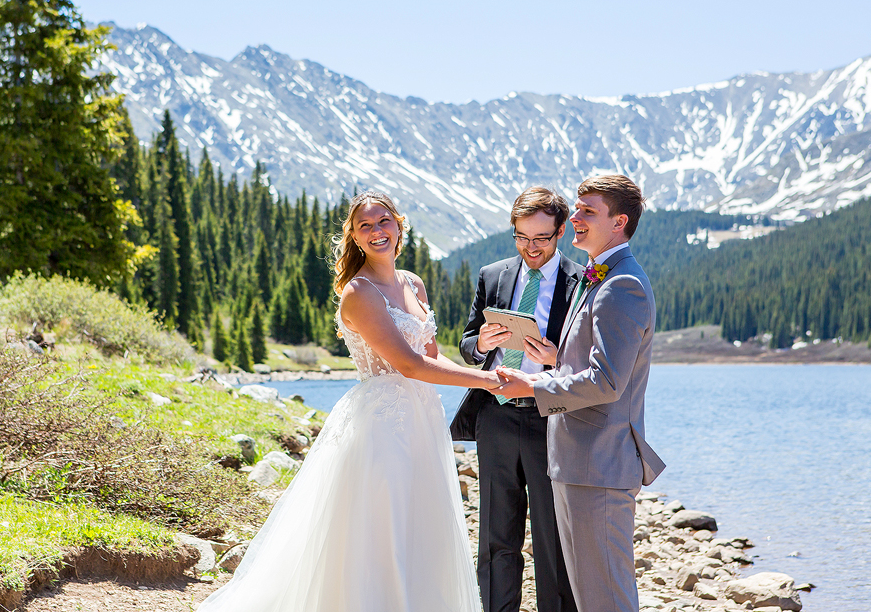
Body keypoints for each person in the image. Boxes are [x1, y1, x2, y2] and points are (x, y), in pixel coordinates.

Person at [197, 189, 497, 612]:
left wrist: (482, 361)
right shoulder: (359, 292)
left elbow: (431, 356)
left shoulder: (413, 282)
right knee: (380, 529)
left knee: (423, 526)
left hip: (423, 420)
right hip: (381, 425)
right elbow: (409, 365)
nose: (377, 232)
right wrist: (488, 382)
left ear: (399, 226)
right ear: (354, 237)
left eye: (383, 222)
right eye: (365, 226)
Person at [493, 174, 666, 612]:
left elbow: (607, 382)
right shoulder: (601, 277)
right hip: (577, 462)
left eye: (588, 211)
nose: (575, 217)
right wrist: (556, 359)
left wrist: (533, 385)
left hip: (599, 465)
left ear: (619, 221)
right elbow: (592, 367)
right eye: (576, 208)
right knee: (591, 598)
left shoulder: (621, 284)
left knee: (606, 599)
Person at [449, 186, 583, 612]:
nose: (530, 248)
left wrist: (557, 359)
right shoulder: (493, 275)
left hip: (552, 419)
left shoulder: (582, 281)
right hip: (496, 416)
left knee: (553, 540)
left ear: (561, 231)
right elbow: (467, 344)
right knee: (495, 536)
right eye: (521, 238)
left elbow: (589, 363)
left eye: (541, 239)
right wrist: (483, 343)